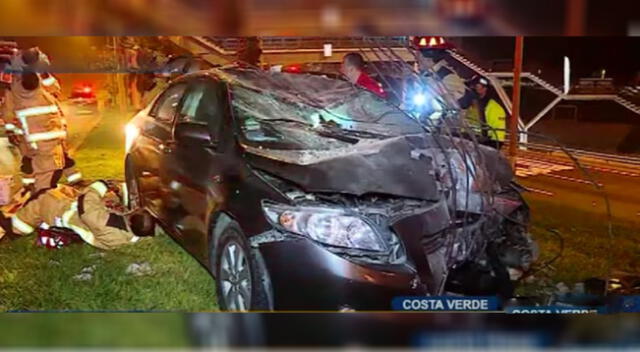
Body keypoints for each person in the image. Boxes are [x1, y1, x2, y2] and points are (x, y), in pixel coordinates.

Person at [0, 181, 155, 249]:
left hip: (65, 215)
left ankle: (14, 228)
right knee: (60, 190)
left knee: (42, 199)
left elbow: (87, 207)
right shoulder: (127, 232)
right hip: (77, 217)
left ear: (131, 219)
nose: (133, 210)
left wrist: (100, 185)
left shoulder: (107, 223)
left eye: (135, 212)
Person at [3, 72, 81, 193]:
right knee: (44, 167)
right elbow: (55, 89)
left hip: (34, 137)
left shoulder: (14, 90)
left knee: (39, 163)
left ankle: (35, 189)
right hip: (48, 135)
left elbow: (8, 114)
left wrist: (11, 131)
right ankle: (39, 192)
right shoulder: (37, 84)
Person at [472, 77, 507, 149]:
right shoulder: (474, 104)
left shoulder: (494, 107)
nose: (474, 89)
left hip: (490, 142)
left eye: (477, 86)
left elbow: (498, 133)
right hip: (475, 140)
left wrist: (492, 146)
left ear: (485, 89)